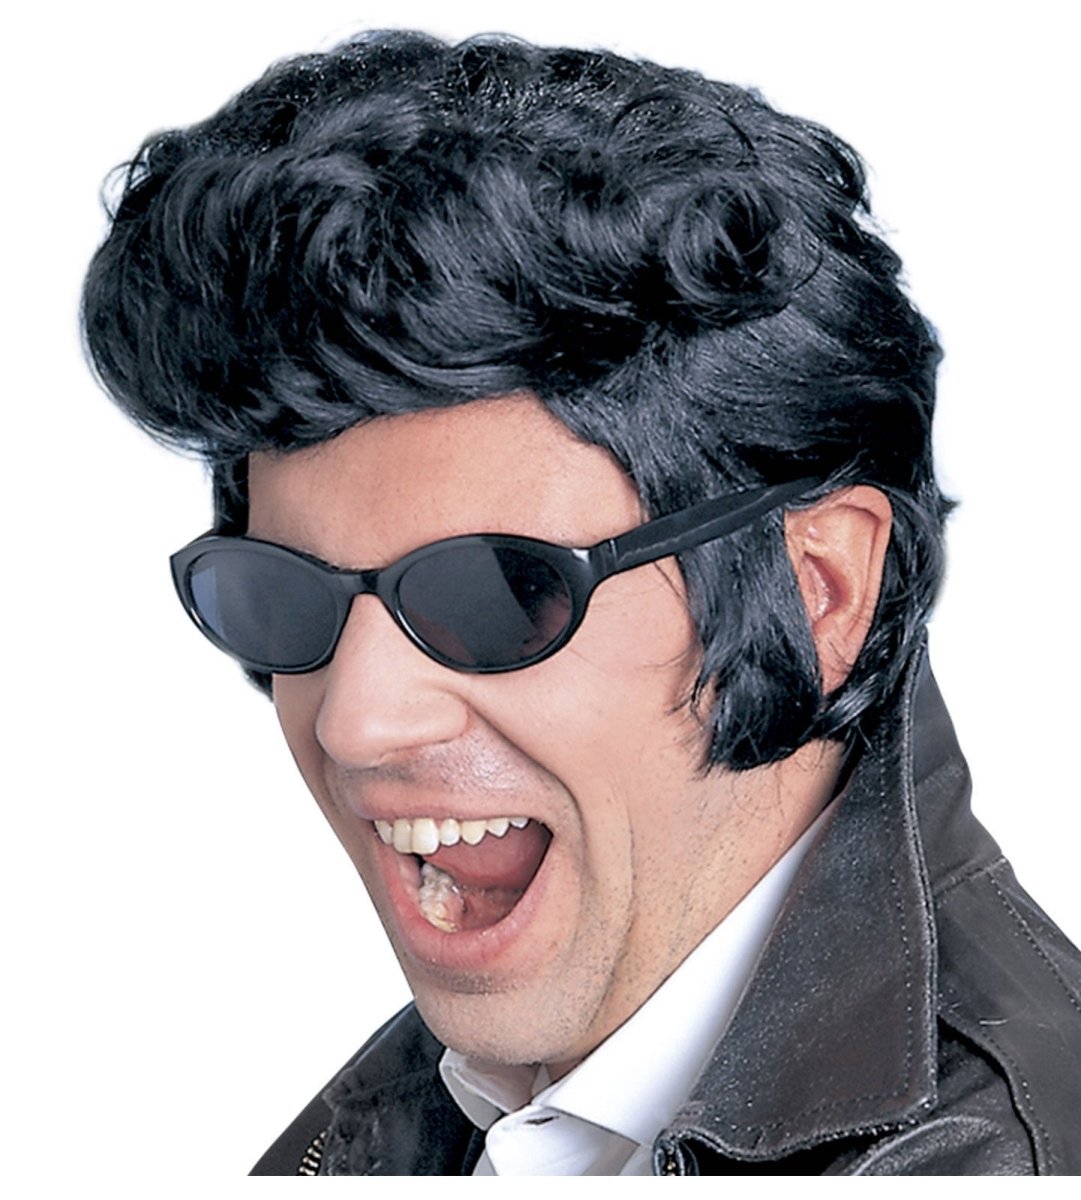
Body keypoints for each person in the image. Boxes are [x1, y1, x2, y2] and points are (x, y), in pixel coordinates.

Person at [81, 31, 1081, 1175]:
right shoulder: (442, 1118)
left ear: (818, 592)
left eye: (499, 594)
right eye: (280, 595)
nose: (356, 720)